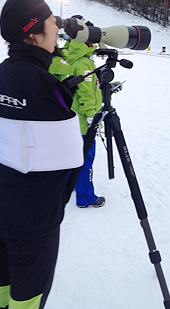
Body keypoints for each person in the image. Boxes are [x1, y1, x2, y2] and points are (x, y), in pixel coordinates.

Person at [0, 0, 84, 309]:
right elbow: (71, 160)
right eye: (53, 23)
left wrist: (56, 94)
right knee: (26, 302)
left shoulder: (0, 74)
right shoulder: (40, 81)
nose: (58, 29)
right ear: (33, 33)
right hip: (32, 221)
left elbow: (26, 126)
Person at [49, 18, 105, 208]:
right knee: (85, 160)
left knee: (69, 158)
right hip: (82, 122)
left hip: (66, 121)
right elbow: (86, 92)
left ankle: (68, 186)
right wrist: (92, 115)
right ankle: (86, 198)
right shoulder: (83, 62)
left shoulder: (62, 57)